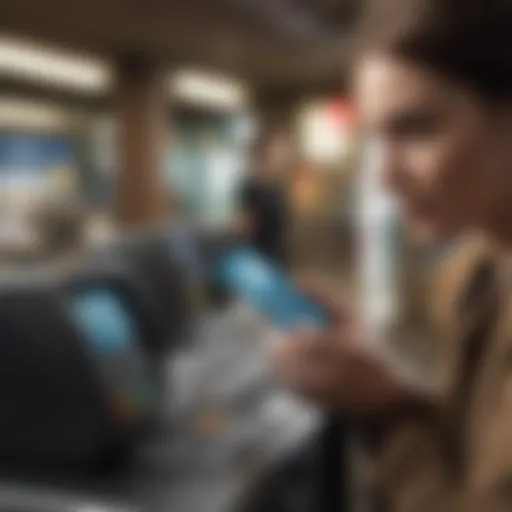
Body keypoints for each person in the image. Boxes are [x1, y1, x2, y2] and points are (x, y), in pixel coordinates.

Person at [267, 0, 512, 510]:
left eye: (417, 130)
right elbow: (472, 451)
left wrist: (388, 419)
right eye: (379, 138)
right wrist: (378, 385)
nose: (385, 177)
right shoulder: (477, 270)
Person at [236, 131, 291, 266]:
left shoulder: (278, 188)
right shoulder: (251, 188)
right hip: (257, 260)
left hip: (277, 257)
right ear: (265, 156)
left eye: (282, 155)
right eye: (277, 154)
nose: (281, 160)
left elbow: (281, 227)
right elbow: (244, 227)